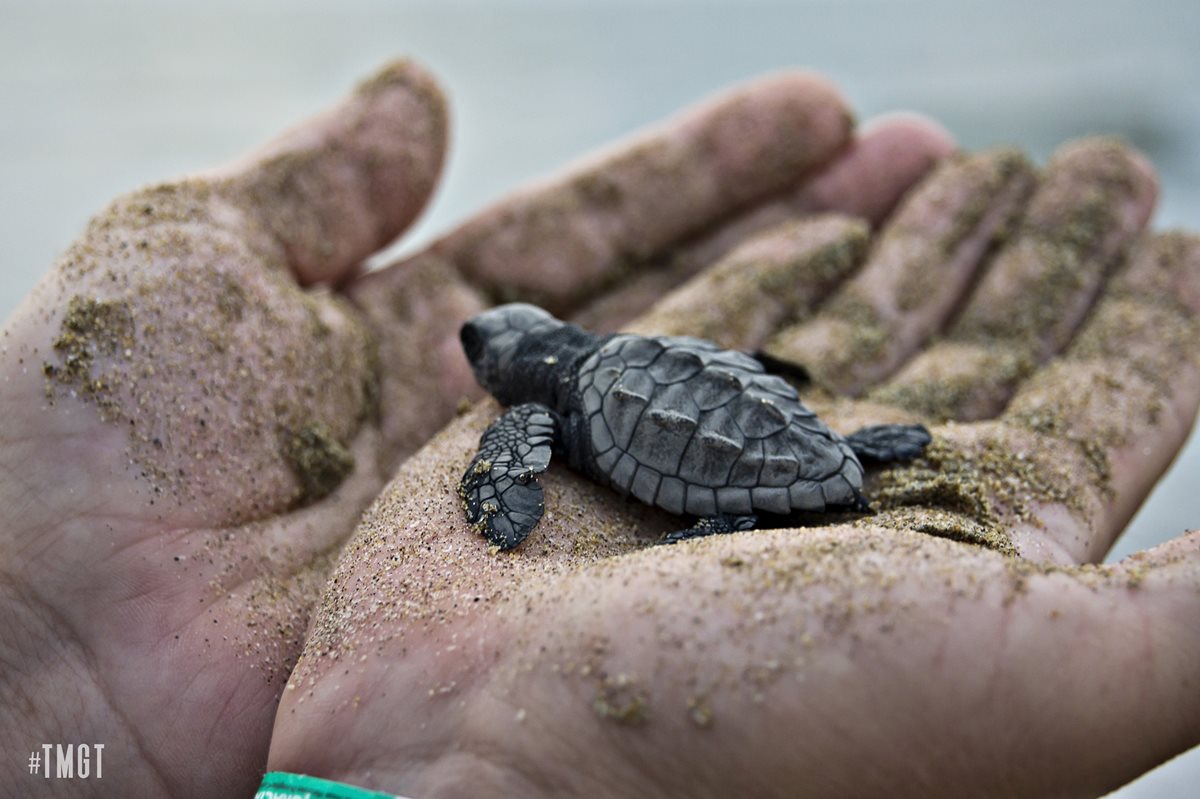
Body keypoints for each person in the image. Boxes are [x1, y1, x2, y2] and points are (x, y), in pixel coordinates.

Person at [0, 59, 1195, 799]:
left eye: (489, 360)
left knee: (708, 438)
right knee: (730, 394)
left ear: (523, 371)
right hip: (759, 412)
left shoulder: (540, 416)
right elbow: (735, 365)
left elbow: (540, 453)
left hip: (721, 456)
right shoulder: (607, 364)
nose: (483, 373)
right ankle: (849, 458)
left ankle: (817, 473)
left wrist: (498, 500)